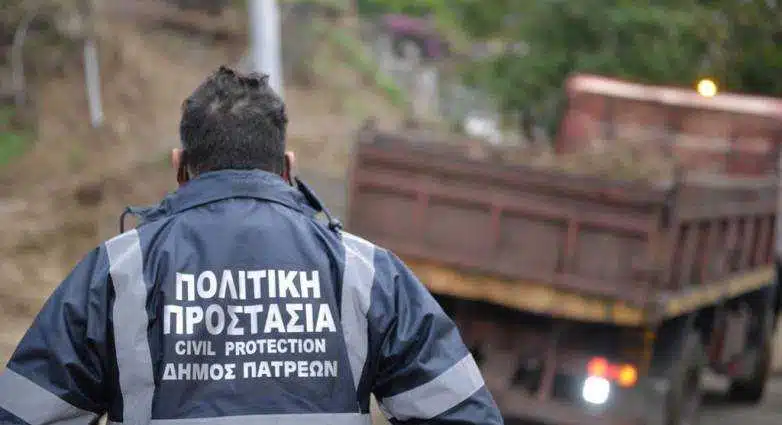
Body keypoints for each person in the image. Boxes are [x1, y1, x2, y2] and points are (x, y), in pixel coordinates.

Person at [0, 66, 504, 425]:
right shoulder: (366, 273)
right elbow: (462, 413)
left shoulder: (116, 273)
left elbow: (24, 412)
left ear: (179, 166)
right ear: (288, 167)